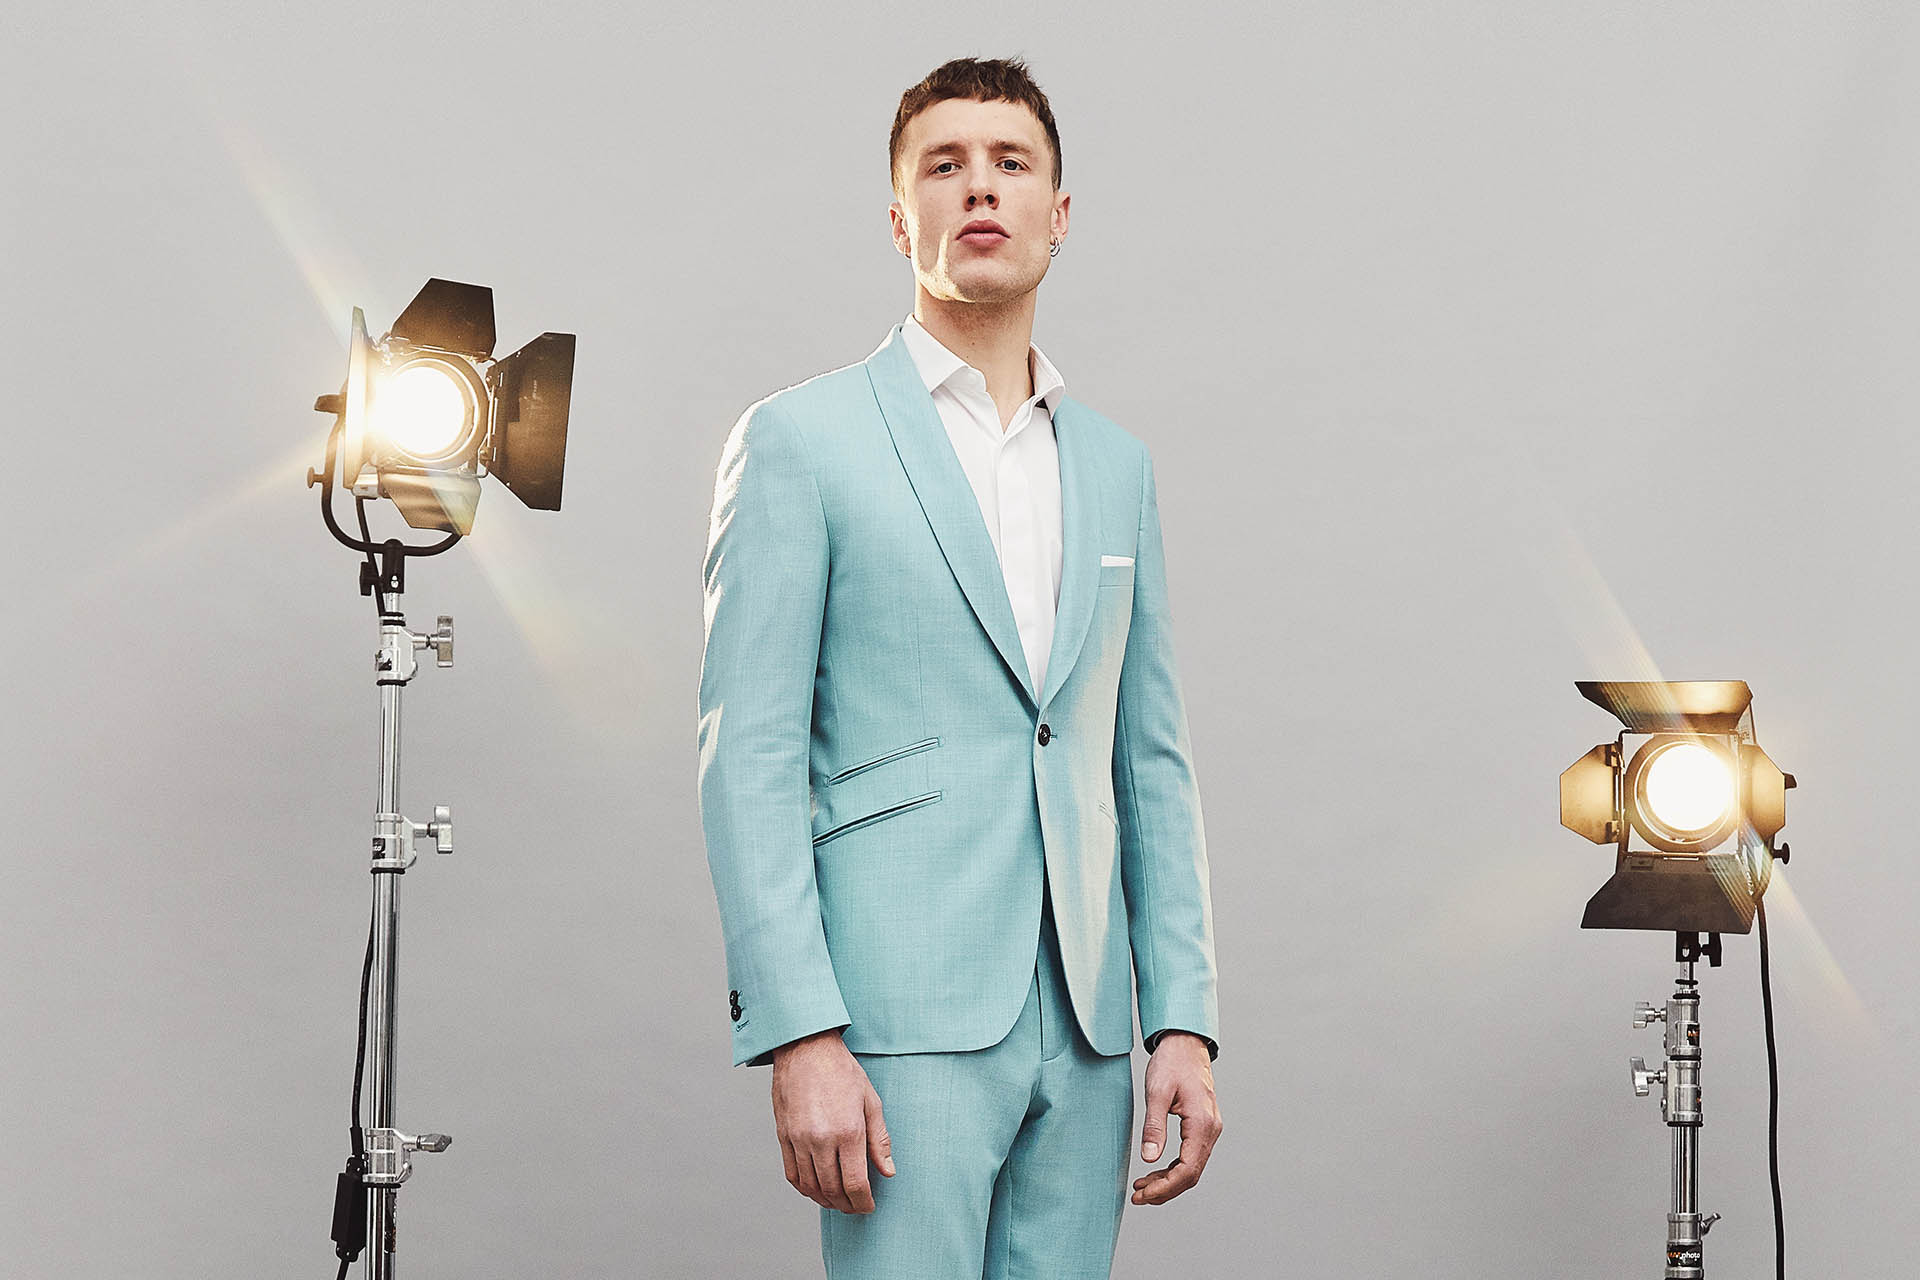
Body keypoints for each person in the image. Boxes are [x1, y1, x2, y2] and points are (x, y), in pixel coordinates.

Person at [697, 55, 1221, 1278]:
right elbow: (749, 754)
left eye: (1009, 162)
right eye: (945, 165)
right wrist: (800, 1030)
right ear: (901, 218)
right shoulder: (799, 440)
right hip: (896, 1017)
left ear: (1059, 213)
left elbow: (1148, 760)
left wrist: (1183, 1020)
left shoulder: (1117, 465)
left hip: (1089, 1032)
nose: (980, 187)